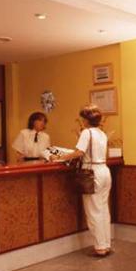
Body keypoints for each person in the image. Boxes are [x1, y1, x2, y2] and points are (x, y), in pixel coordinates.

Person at [51, 105, 112, 257]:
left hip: (92, 173)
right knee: (103, 209)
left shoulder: (87, 132)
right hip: (104, 170)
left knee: (93, 211)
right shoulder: (102, 134)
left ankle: (100, 247)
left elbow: (79, 152)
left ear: (86, 120)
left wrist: (59, 157)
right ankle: (106, 244)